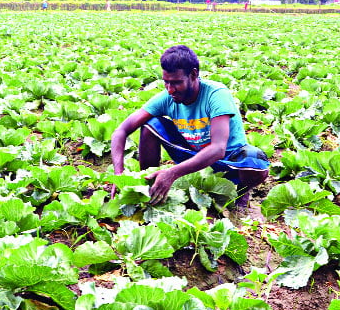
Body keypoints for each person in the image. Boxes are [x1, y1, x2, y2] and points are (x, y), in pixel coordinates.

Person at [111, 45, 269, 210]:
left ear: (193, 74)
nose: (170, 89)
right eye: (166, 82)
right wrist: (119, 174)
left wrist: (172, 173)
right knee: (150, 125)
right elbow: (121, 131)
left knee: (255, 160)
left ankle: (242, 193)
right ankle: (150, 184)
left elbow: (218, 149)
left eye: (176, 82)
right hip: (192, 155)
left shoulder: (216, 95)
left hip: (229, 162)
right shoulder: (167, 97)